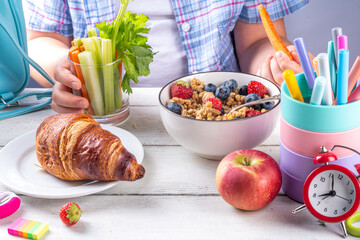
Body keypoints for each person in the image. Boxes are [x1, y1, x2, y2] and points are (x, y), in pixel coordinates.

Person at [23, 0, 308, 113]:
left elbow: (257, 40)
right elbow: (41, 41)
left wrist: (270, 68)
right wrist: (63, 67)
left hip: (218, 118)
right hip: (103, 117)